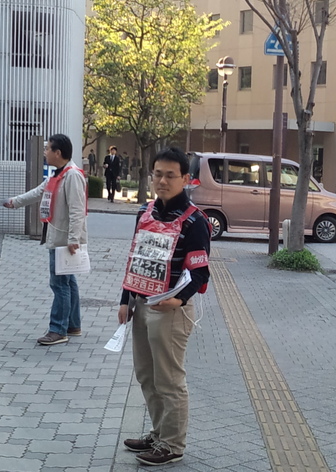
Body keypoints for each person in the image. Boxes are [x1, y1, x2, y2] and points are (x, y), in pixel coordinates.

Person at [118, 147, 211, 466]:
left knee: (169, 379)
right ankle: (159, 433)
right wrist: (125, 299)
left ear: (186, 179)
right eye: (158, 174)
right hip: (142, 305)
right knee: (146, 374)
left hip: (171, 310)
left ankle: (172, 444)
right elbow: (136, 259)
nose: (163, 180)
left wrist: (179, 298)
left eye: (171, 175)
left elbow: (200, 270)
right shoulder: (144, 213)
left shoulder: (194, 220)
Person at [3, 134, 88, 346]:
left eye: (47, 148)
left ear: (58, 153)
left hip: (64, 240)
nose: (45, 152)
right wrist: (15, 202)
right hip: (60, 237)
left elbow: (78, 210)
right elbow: (38, 193)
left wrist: (73, 239)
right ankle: (73, 325)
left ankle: (58, 329)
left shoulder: (72, 176)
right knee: (68, 281)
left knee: (59, 284)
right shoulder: (57, 175)